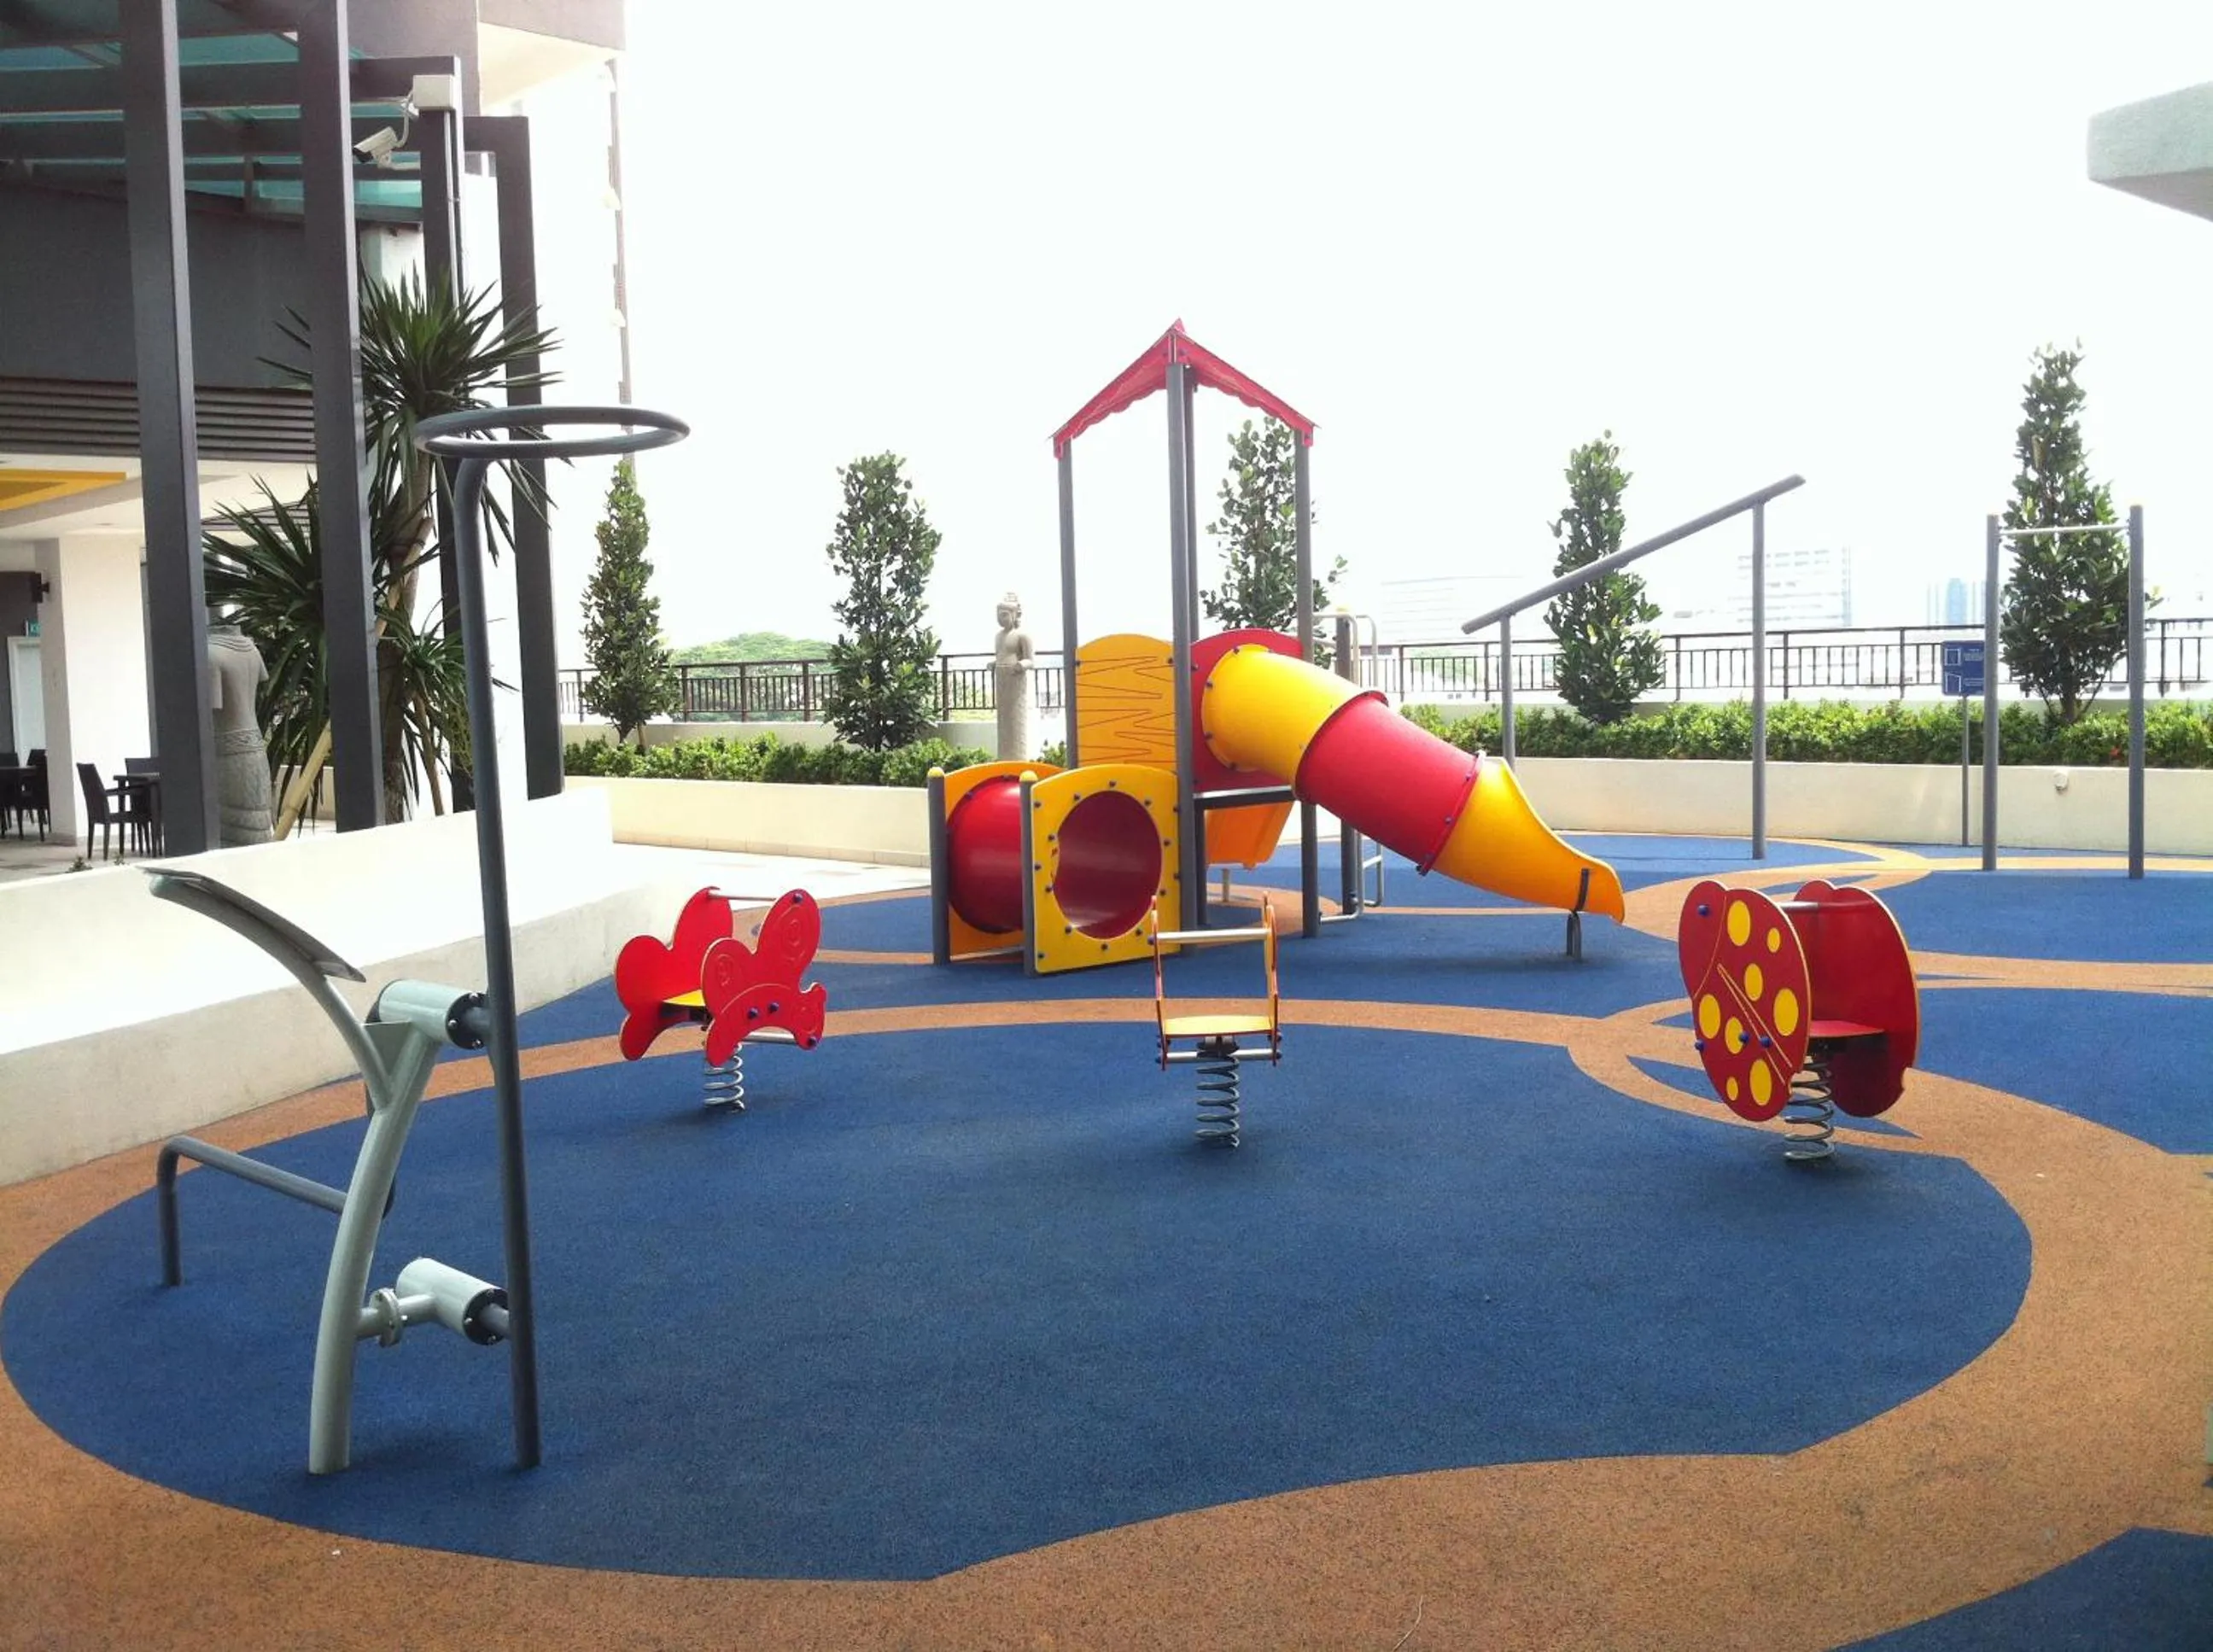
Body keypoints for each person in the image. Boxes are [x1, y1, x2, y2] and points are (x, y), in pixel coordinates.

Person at [207, 620, 273, 846]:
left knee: (233, 833)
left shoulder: (210, 653)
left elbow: (212, 705)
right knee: (254, 829)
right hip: (254, 746)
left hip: (228, 754)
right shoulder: (251, 650)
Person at [992, 593, 1036, 762]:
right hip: (1002, 679)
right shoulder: (998, 636)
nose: (1000, 619)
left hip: (1016, 680)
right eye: (998, 615)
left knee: (1016, 722)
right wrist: (994, 664)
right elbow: (1001, 656)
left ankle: (1018, 758)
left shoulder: (1023, 636)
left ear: (1014, 615)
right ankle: (1004, 758)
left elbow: (1030, 660)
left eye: (1004, 615)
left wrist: (1021, 665)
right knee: (1004, 723)